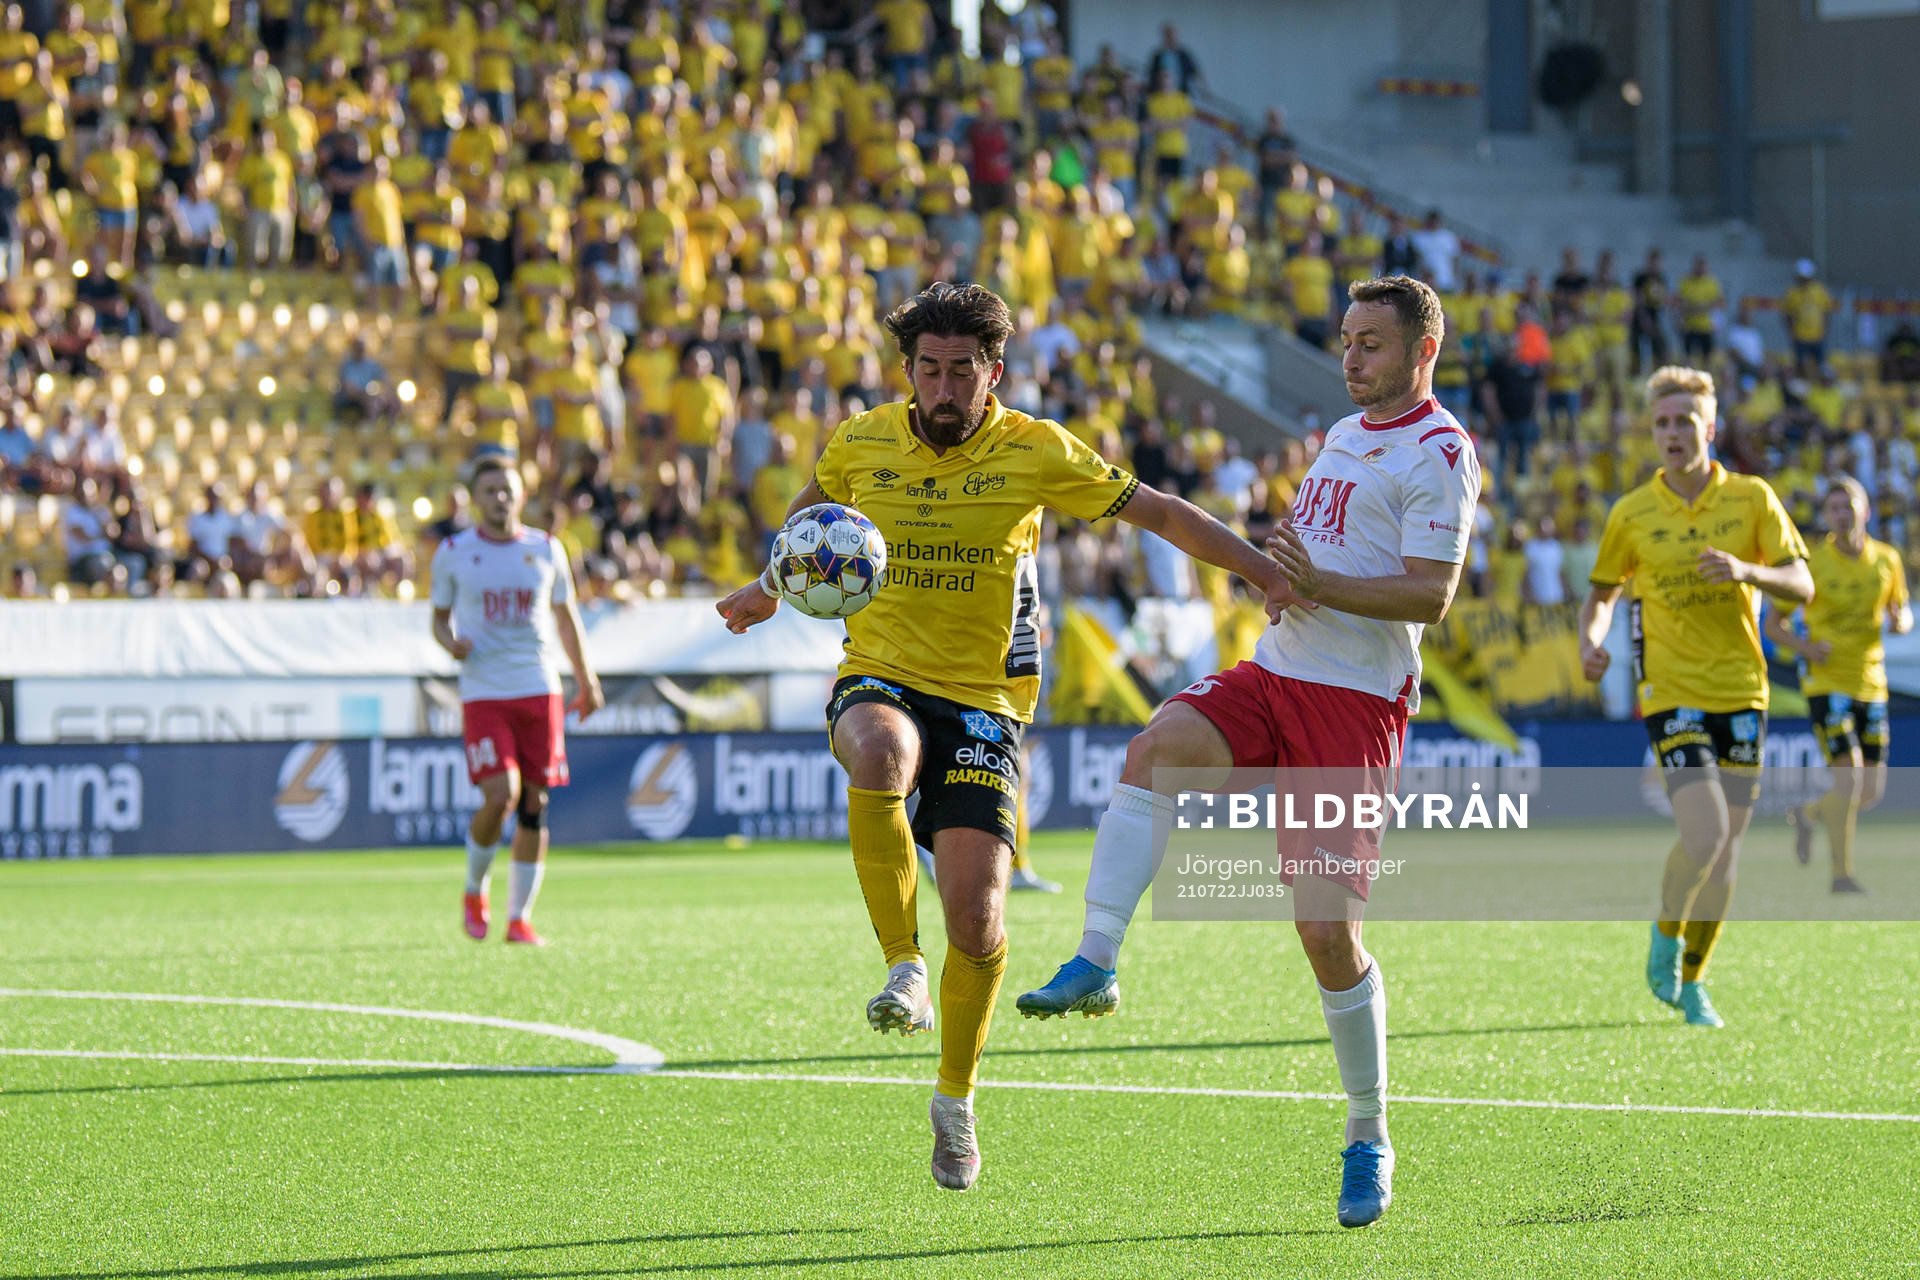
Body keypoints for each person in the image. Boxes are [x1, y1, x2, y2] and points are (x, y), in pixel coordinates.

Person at [715, 282, 1297, 1194]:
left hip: (988, 702)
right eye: (929, 370)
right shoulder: (862, 441)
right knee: (879, 753)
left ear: (994, 373)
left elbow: (1163, 514)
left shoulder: (1036, 451)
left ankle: (955, 1100)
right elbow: (810, 526)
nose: (945, 388)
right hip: (883, 673)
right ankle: (902, 968)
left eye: (963, 372)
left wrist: (1262, 567)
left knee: (981, 920)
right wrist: (764, 587)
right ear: (908, 370)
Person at [1018, 275, 1481, 1230]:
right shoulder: (1346, 435)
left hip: (1354, 707)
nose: (1351, 358)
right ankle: (1097, 958)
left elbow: (1432, 595)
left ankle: (1368, 1134)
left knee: (1326, 937)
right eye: (1347, 340)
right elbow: (1325, 555)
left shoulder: (1443, 451)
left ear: (1421, 353)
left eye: (1371, 345)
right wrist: (1288, 578)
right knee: (1154, 750)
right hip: (1278, 673)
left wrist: (1326, 583)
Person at [1578, 366, 1812, 1029]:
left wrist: (1747, 570)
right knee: (1705, 832)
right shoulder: (1632, 512)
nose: (1673, 433)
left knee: (1728, 846)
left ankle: (1693, 980)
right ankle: (1665, 931)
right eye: (1662, 422)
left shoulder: (1753, 499)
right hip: (1671, 690)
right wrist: (1590, 642)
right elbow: (1601, 594)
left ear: (1711, 429)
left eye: (1685, 421)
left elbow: (1802, 583)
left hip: (1742, 689)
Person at [430, 456, 604, 946]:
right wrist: (450, 643)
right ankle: (473, 888)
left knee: (534, 802)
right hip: (485, 691)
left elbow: (566, 618)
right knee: (500, 795)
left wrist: (586, 680)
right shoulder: (454, 552)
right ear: (474, 498)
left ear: (520, 496)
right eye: (489, 490)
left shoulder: (546, 549)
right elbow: (439, 619)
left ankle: (519, 918)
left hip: (539, 686)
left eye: (506, 490)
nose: (499, 498)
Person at [1767, 478, 1912, 892]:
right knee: (1847, 781)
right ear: (1826, 515)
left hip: (1872, 682)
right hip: (1826, 681)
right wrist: (1805, 648)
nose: (1842, 514)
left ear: (1865, 510)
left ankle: (1808, 813)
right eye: (1834, 508)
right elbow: (1774, 626)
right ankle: (1842, 876)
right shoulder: (1812, 566)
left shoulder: (1887, 560)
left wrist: (1902, 622)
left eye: (1849, 506)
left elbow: (1900, 611)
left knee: (1870, 793)